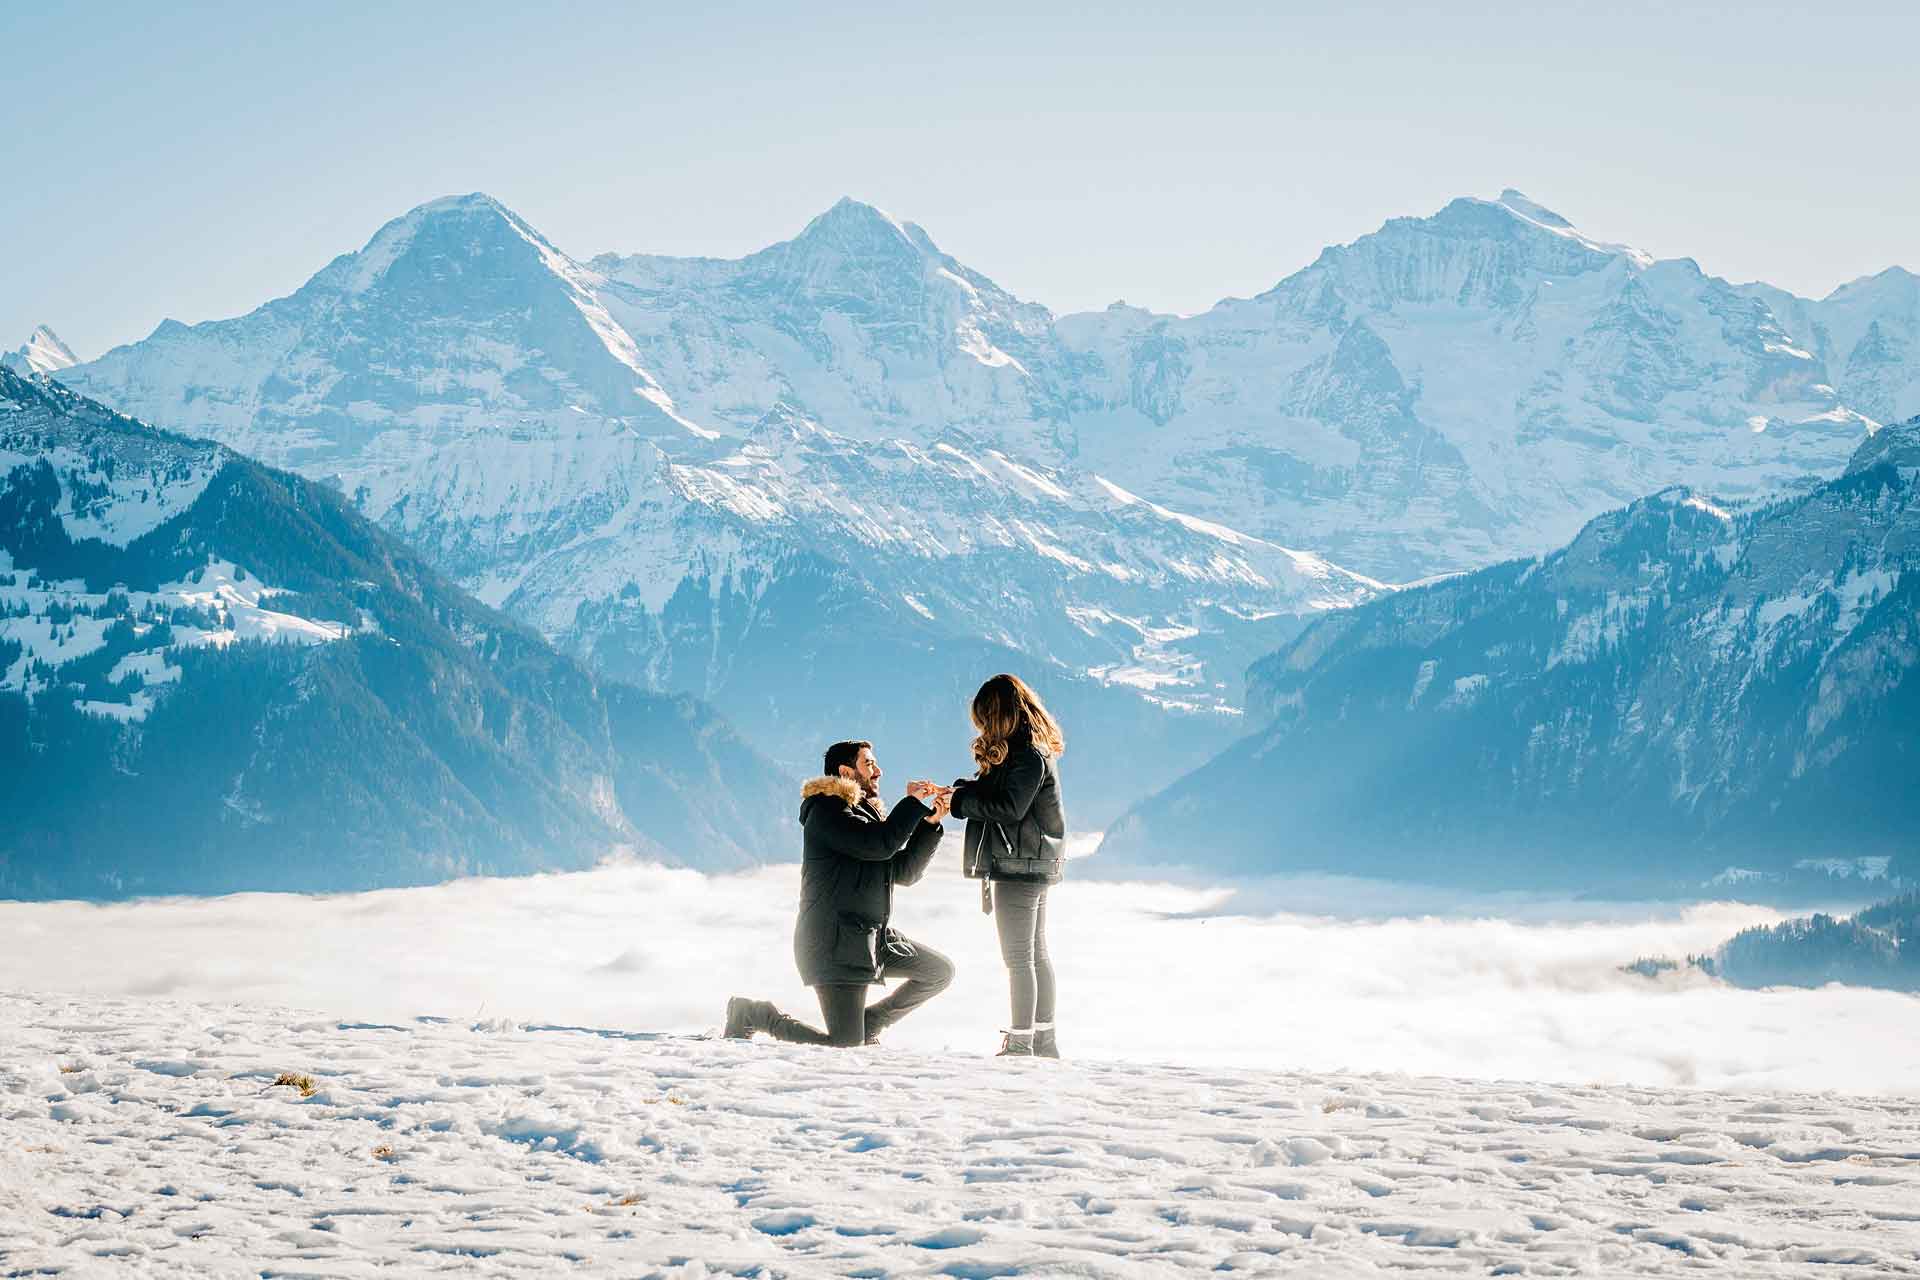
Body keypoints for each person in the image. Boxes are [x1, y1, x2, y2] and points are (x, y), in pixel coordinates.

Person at [724, 740, 954, 1047]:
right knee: (843, 1045)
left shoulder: (864, 814)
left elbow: (904, 872)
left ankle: (869, 1023)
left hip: (872, 937)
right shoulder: (827, 810)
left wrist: (930, 823)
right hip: (834, 944)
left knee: (938, 972)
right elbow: (880, 845)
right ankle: (754, 1014)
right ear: (846, 771)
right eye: (869, 764)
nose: (879, 771)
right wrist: (912, 803)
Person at [945, 674, 1068, 1059]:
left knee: (1019, 958)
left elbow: (1009, 809)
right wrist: (960, 791)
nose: (981, 727)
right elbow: (1009, 797)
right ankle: (1043, 1039)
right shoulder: (1029, 752)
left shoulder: (1027, 756)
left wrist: (959, 804)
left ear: (997, 715)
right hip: (1032, 861)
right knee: (1035, 953)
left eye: (984, 718)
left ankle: (1020, 1043)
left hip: (1020, 865)